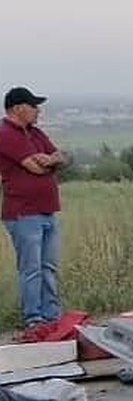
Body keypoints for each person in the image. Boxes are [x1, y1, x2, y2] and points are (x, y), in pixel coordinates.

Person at [0, 86, 69, 341]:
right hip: (23, 212)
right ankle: (34, 319)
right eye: (34, 106)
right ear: (18, 108)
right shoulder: (6, 134)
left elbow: (61, 157)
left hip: (47, 209)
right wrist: (50, 163)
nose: (38, 111)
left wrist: (50, 159)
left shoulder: (36, 133)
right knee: (31, 268)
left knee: (48, 266)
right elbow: (34, 168)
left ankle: (51, 317)